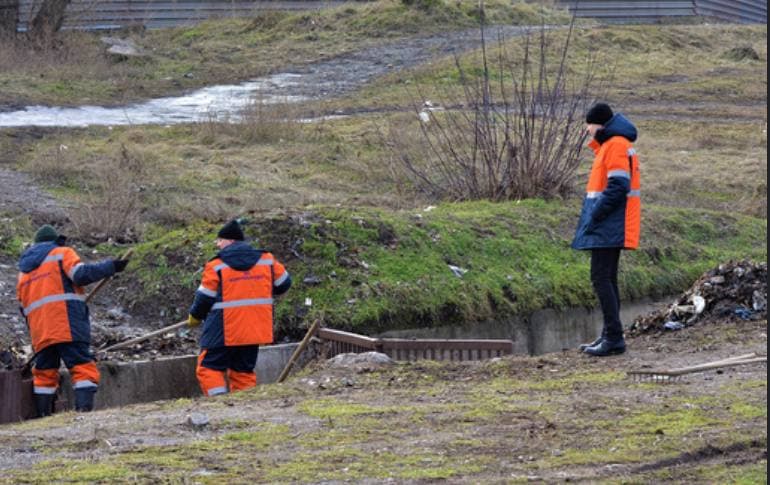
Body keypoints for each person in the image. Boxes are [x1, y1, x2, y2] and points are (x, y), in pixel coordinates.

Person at [16, 224, 129, 416]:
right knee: (82, 367)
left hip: (40, 331)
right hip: (66, 324)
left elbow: (22, 307)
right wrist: (110, 266)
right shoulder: (61, 253)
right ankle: (82, 414)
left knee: (44, 373)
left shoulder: (24, 271)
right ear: (54, 240)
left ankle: (44, 417)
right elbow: (81, 274)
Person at [188, 219, 291, 396]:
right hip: (254, 327)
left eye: (219, 240)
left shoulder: (216, 265)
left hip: (223, 328)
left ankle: (219, 404)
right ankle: (244, 408)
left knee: (208, 368)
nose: (217, 244)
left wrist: (195, 316)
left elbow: (204, 298)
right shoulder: (266, 259)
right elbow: (284, 283)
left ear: (229, 241)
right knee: (243, 371)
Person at [571, 103, 641, 357]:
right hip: (612, 223)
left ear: (598, 124)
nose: (587, 130)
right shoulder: (613, 145)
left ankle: (613, 337)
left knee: (601, 278)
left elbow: (618, 186)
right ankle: (610, 335)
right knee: (607, 278)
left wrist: (596, 214)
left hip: (610, 223)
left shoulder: (615, 145)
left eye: (588, 125)